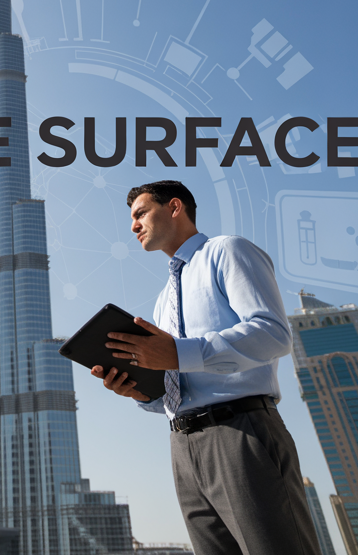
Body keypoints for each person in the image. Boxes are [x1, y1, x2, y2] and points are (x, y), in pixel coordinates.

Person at [91, 180, 321, 555]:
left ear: (175, 207)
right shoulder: (162, 301)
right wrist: (142, 391)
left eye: (140, 213)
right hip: (182, 446)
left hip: (239, 432)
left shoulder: (227, 251)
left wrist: (178, 353)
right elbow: (178, 379)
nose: (133, 226)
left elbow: (274, 334)